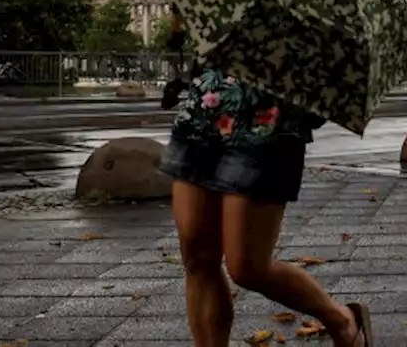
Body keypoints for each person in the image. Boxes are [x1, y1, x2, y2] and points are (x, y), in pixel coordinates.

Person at [157, 23, 373, 347]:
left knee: (247, 268)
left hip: (269, 126)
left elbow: (337, 59)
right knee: (198, 257)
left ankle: (343, 320)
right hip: (204, 115)